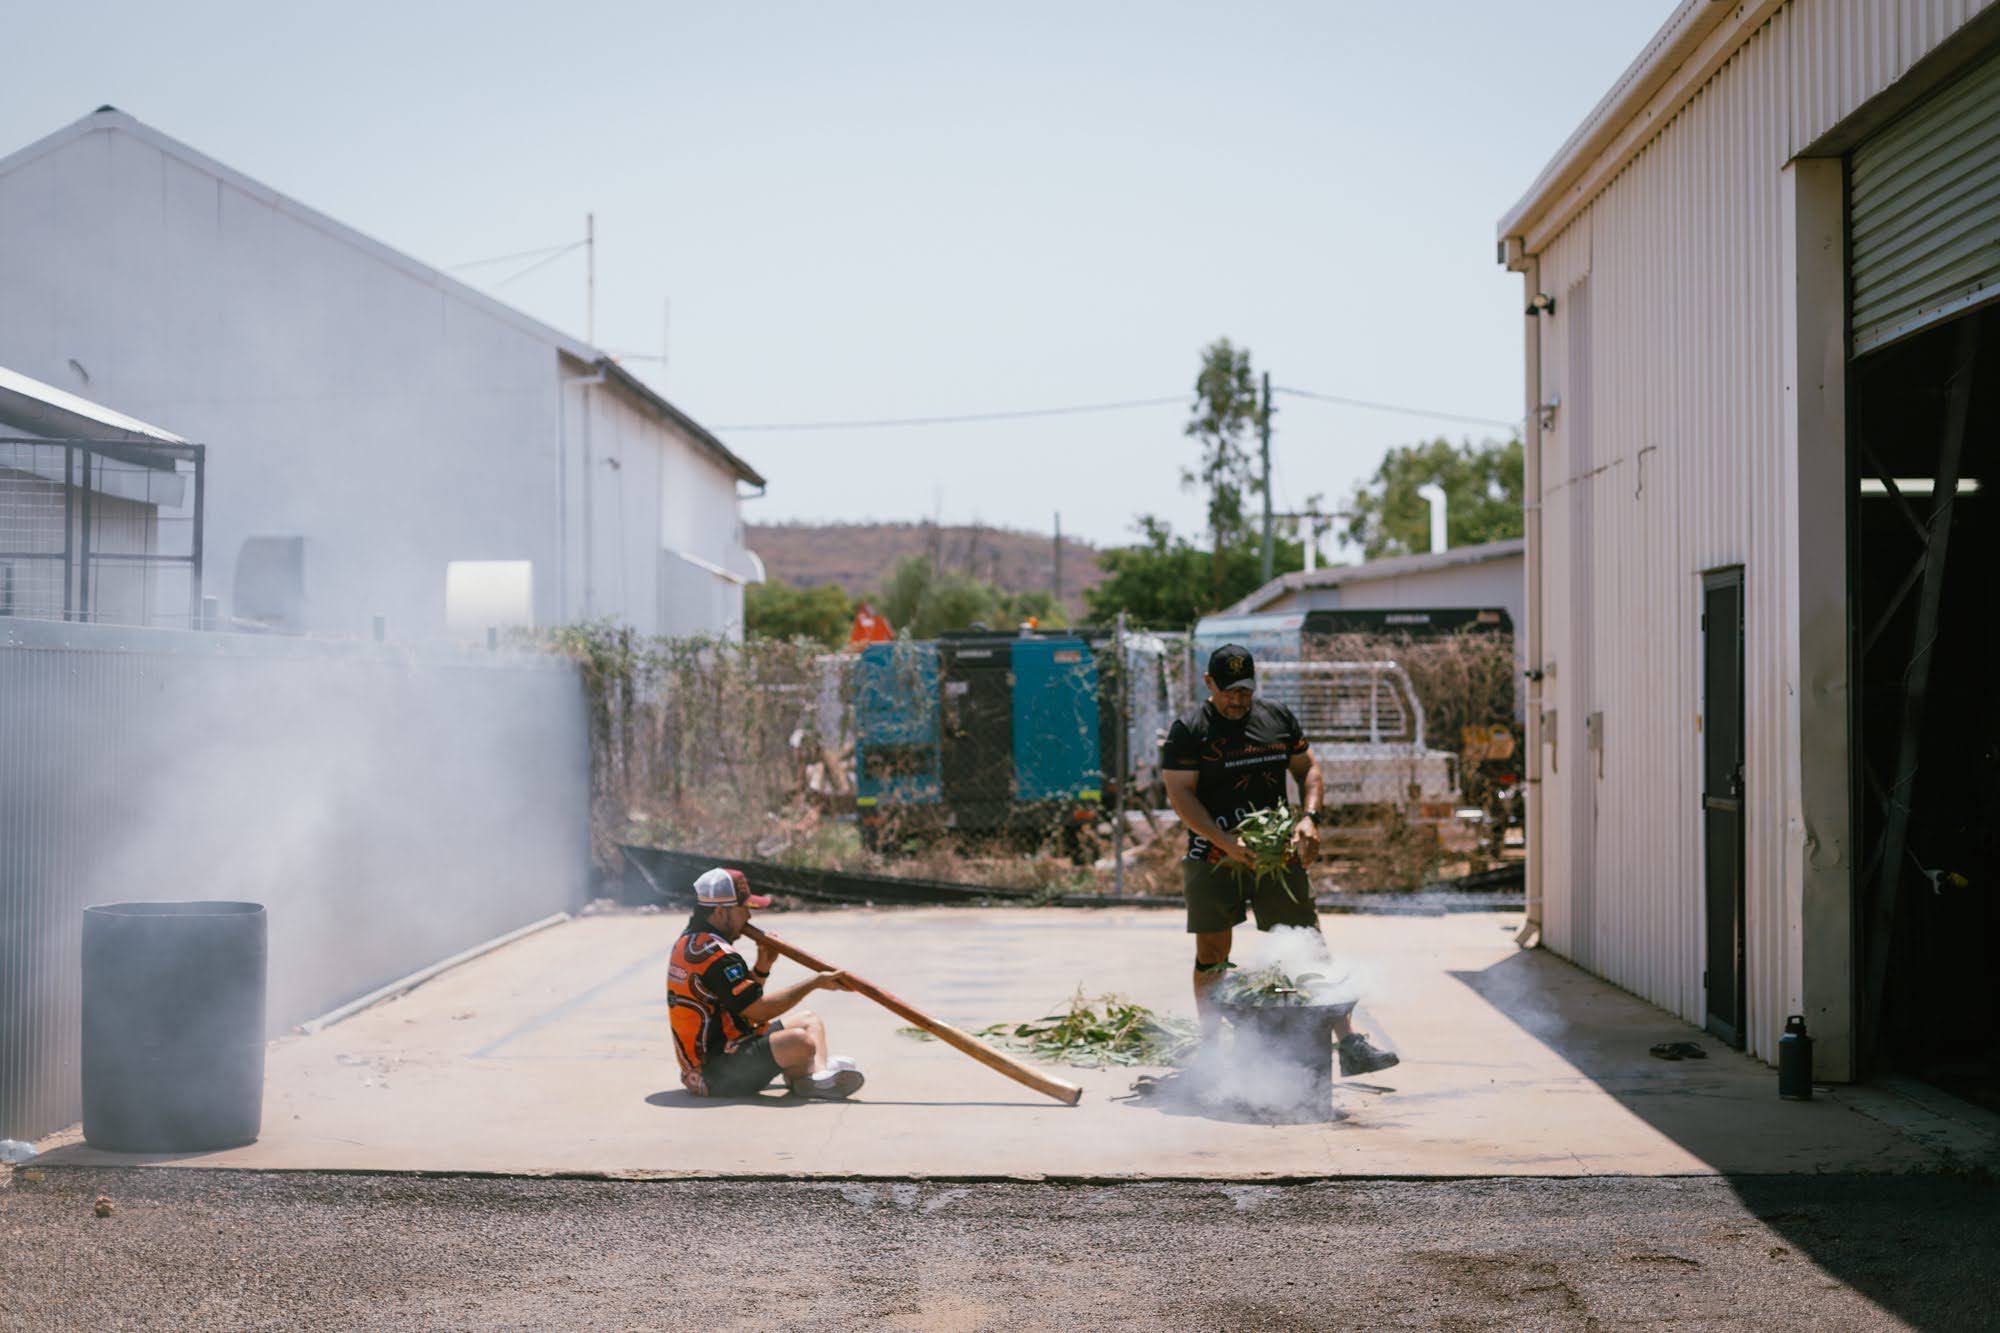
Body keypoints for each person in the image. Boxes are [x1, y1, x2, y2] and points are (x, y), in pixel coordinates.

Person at [1161, 643, 1399, 1077]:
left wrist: (1309, 818)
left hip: (1278, 855)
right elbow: (1180, 795)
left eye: (1246, 691)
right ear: (1209, 684)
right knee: (1212, 952)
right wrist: (1224, 840)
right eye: (1229, 691)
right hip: (1212, 856)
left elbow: (1308, 768)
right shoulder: (1188, 730)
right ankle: (1211, 1052)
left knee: (1308, 943)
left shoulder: (1277, 718)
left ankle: (1349, 1043)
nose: (1238, 700)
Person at [667, 867, 865, 1099]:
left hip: (733, 1047)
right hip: (715, 1074)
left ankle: (814, 1076)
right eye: (743, 910)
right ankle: (807, 1074)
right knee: (800, 1042)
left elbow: (741, 1005)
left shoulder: (691, 941)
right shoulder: (715, 955)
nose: (749, 918)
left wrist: (763, 966)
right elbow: (758, 1012)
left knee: (809, 1021)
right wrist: (814, 983)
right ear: (721, 912)